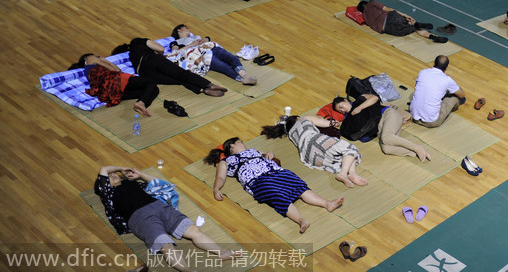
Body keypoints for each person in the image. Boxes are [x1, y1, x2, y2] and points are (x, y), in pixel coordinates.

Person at [95, 166, 241, 272]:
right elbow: (103, 169)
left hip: (159, 207)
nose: (114, 175)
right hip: (139, 217)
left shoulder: (131, 183)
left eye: (116, 173)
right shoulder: (108, 194)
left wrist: (140, 175)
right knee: (165, 245)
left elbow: (159, 184)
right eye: (110, 176)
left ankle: (221, 252)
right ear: (104, 185)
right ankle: (187, 270)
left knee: (193, 230)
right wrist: (121, 167)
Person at [205, 138, 344, 233]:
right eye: (241, 142)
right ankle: (301, 220)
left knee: (299, 186)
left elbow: (267, 153)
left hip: (276, 172)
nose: (244, 144)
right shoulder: (227, 161)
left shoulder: (252, 151)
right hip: (258, 181)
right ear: (232, 146)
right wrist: (216, 188)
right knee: (278, 196)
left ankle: (327, 204)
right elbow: (220, 176)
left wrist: (270, 153)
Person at [261, 115, 368, 187]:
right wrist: (331, 123)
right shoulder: (302, 119)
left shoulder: (290, 134)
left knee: (342, 157)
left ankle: (351, 173)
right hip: (315, 140)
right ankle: (345, 173)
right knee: (350, 148)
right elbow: (325, 123)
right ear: (297, 118)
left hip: (308, 155)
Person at [112, 38, 227, 97]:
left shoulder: (132, 56)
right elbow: (160, 49)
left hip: (145, 73)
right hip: (151, 59)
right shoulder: (137, 41)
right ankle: (209, 84)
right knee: (181, 74)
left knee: (178, 80)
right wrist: (160, 56)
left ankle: (203, 90)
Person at [334, 95, 432, 161]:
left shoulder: (360, 99)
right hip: (381, 128)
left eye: (341, 106)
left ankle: (417, 147)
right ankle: (415, 153)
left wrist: (359, 108)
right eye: (340, 110)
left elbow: (375, 98)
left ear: (345, 101)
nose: (342, 110)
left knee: (386, 137)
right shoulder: (348, 119)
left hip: (388, 115)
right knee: (386, 149)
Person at [69, 53, 159, 116]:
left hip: (112, 92)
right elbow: (116, 71)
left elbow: (118, 70)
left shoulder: (90, 71)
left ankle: (141, 104)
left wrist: (105, 61)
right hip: (117, 81)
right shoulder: (89, 59)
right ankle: (141, 103)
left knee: (153, 90)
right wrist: (103, 60)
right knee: (151, 82)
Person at [169, 24, 257, 85]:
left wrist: (206, 39)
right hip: (200, 54)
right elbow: (175, 53)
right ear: (179, 30)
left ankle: (245, 76)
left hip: (210, 47)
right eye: (186, 27)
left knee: (232, 58)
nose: (189, 29)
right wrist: (192, 45)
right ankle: (242, 79)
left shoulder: (196, 37)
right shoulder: (175, 42)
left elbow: (207, 39)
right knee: (223, 66)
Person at [409, 55, 466, 128]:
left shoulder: (422, 72)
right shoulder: (447, 80)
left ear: (433, 63)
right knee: (456, 98)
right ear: (446, 68)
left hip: (413, 115)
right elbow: (462, 94)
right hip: (431, 121)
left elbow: (417, 86)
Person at [357, 0, 448, 43]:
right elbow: (389, 9)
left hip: (392, 31)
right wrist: (405, 15)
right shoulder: (372, 3)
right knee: (412, 24)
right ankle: (428, 34)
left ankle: (430, 35)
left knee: (412, 28)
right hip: (390, 18)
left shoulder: (365, 17)